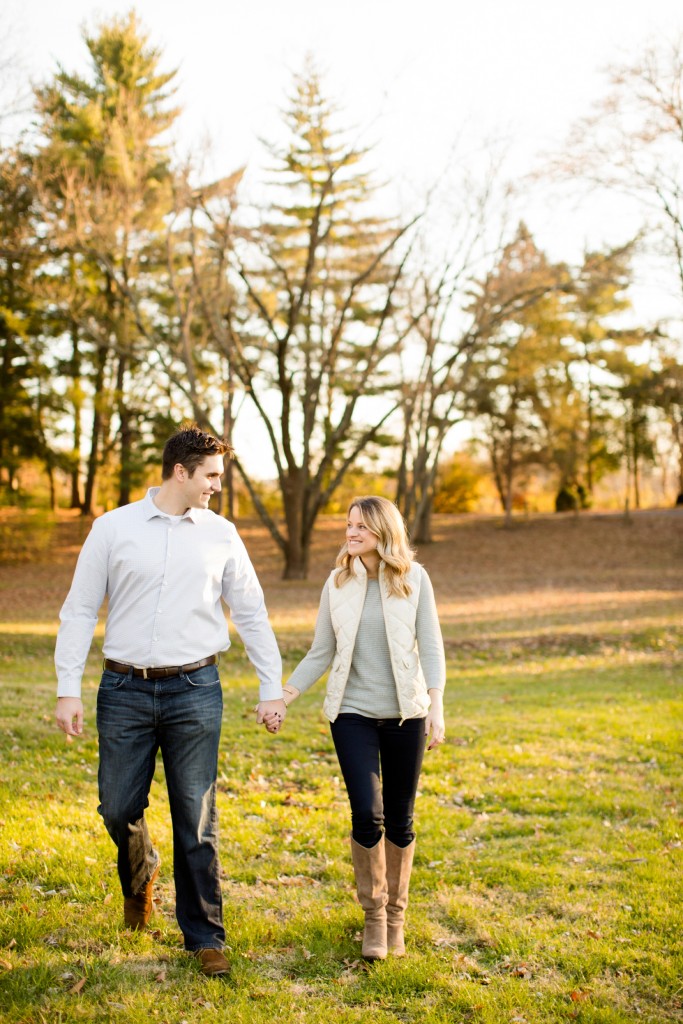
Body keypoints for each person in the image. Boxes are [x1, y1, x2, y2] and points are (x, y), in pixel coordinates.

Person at [55, 424, 285, 978]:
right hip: (124, 689)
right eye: (210, 476)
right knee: (117, 806)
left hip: (195, 690)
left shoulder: (222, 535)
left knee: (196, 818)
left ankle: (204, 935)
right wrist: (68, 688)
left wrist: (269, 685)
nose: (216, 487)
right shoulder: (112, 529)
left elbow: (250, 612)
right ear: (179, 472)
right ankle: (141, 876)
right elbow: (80, 609)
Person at [262, 496, 446, 961]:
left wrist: (436, 706)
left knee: (401, 816)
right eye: (348, 525)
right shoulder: (337, 582)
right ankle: (374, 917)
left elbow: (432, 648)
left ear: (383, 531)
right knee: (367, 812)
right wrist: (285, 695)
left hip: (407, 713)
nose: (350, 532)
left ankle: (397, 918)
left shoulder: (414, 579)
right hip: (353, 713)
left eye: (360, 526)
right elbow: (321, 650)